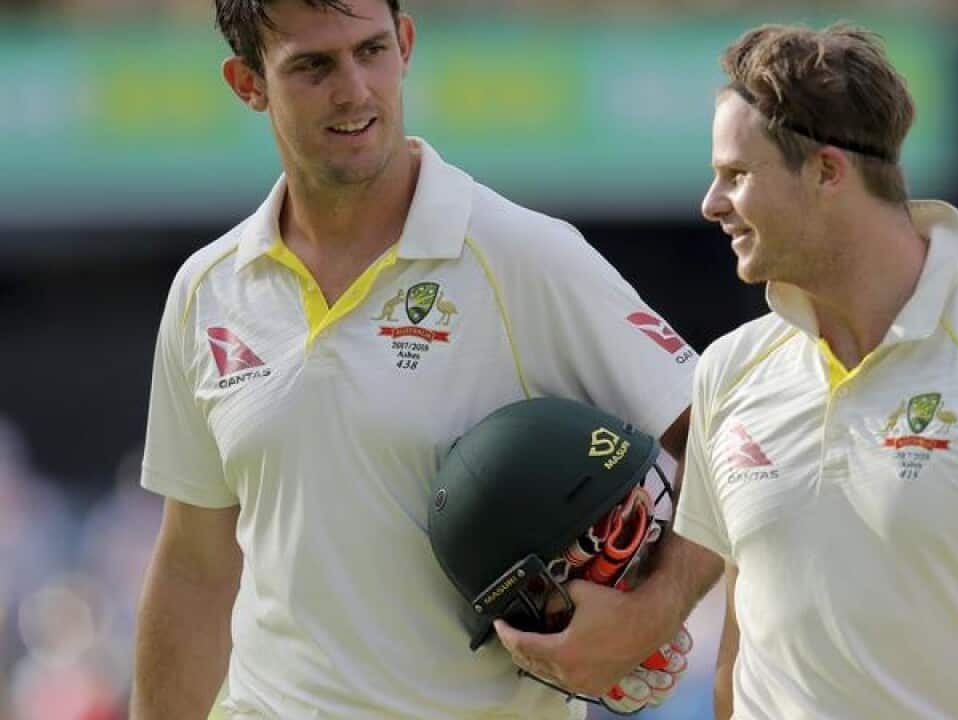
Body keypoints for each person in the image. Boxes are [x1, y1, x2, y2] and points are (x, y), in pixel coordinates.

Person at [497, 23, 958, 720]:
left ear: (829, 172)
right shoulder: (730, 370)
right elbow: (743, 655)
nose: (710, 205)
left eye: (736, 176)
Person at [129, 0, 698, 717]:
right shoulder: (206, 290)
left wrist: (651, 613)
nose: (354, 90)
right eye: (313, 66)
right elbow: (194, 567)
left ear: (404, 42)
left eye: (370, 51)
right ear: (247, 83)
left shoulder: (524, 256)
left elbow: (723, 444)